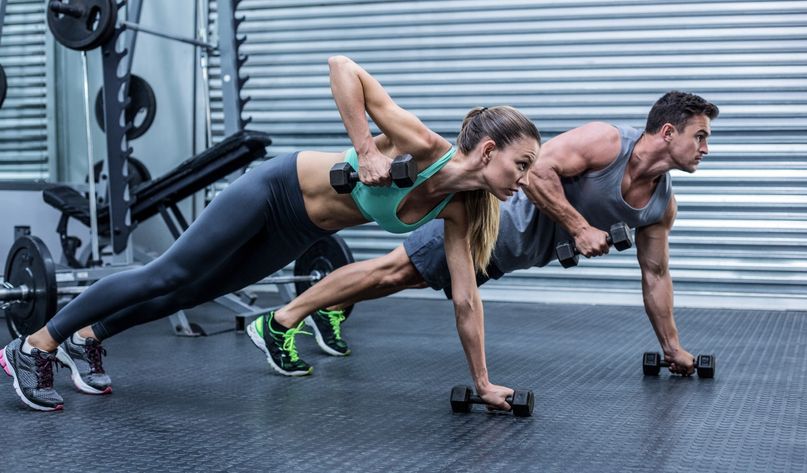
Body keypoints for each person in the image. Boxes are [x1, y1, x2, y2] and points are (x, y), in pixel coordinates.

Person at [0, 55, 541, 412]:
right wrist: (368, 148)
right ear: (489, 152)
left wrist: (485, 381)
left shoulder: (460, 212)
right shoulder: (422, 144)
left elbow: (467, 301)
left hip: (299, 229)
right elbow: (342, 67)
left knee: (194, 291)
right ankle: (32, 346)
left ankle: (87, 338)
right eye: (522, 163)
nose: (525, 178)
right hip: (273, 189)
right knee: (169, 272)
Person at [265, 91, 718, 377]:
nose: (705, 148)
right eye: (699, 136)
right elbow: (537, 170)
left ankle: (332, 310)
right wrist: (579, 228)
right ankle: (284, 318)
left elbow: (656, 274)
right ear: (666, 131)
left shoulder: (661, 205)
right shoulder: (606, 142)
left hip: (510, 255)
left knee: (408, 276)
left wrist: (672, 348)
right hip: (491, 223)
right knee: (393, 271)